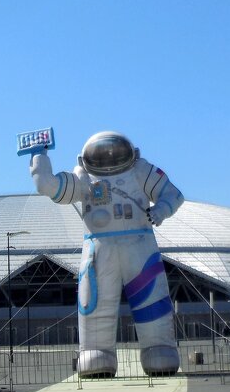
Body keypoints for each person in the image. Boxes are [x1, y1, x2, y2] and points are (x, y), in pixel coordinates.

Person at [29, 131, 184, 377]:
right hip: (102, 247)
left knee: (151, 296)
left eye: (114, 152)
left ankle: (158, 346)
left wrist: (161, 210)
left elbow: (173, 195)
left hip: (138, 244)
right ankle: (96, 351)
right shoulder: (83, 176)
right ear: (83, 159)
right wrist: (40, 160)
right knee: (95, 301)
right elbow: (50, 187)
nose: (109, 157)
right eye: (101, 155)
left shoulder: (140, 170)